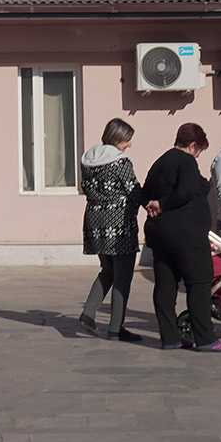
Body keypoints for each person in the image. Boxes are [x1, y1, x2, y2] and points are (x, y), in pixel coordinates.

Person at [141, 122, 221, 353]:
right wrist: (163, 204)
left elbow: (144, 193)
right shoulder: (186, 161)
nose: (198, 155)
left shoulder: (160, 161)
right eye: (199, 150)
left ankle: (170, 338)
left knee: (165, 286)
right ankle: (205, 339)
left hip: (161, 236)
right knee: (199, 283)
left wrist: (154, 205)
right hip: (187, 236)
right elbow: (185, 192)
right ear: (193, 145)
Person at [77, 118, 155, 341]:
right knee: (122, 276)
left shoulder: (87, 160)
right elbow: (134, 190)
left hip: (95, 221)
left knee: (107, 270)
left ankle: (89, 313)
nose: (128, 145)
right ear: (117, 138)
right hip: (118, 224)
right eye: (126, 140)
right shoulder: (120, 162)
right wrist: (150, 205)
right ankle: (115, 328)